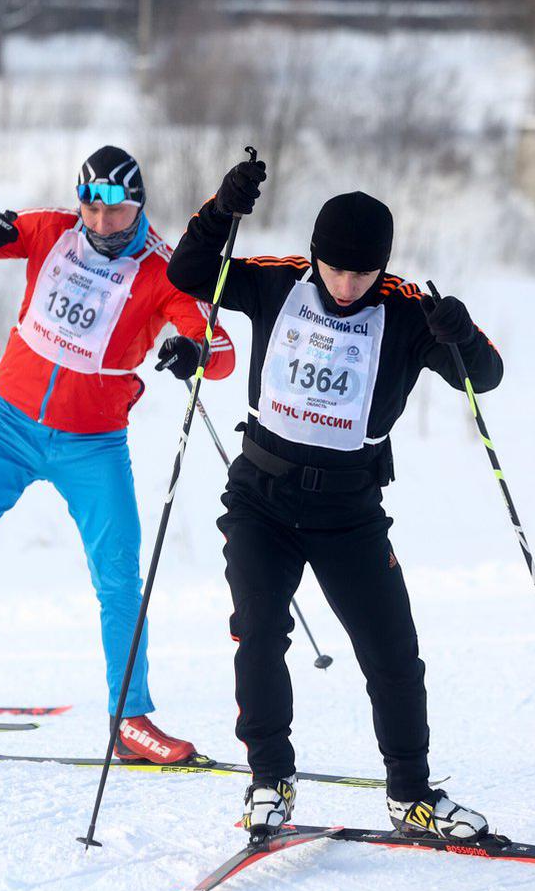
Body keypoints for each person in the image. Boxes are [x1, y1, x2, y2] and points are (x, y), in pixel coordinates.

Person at [165, 158, 502, 838]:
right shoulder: (278, 282)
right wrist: (221, 210)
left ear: (384, 266)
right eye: (335, 269)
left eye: (363, 273)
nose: (347, 286)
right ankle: (270, 780)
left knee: (392, 652)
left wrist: (461, 334)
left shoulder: (408, 312)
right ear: (315, 254)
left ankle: (411, 794)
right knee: (260, 632)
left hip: (349, 513)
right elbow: (187, 272)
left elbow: (486, 376)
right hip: (261, 499)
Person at [0, 146, 236, 764]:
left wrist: (194, 352)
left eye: (115, 211)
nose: (100, 223)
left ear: (139, 206)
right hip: (5, 426)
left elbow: (220, 351)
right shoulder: (50, 229)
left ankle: (131, 719)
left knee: (119, 579)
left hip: (92, 444)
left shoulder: (163, 268)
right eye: (91, 208)